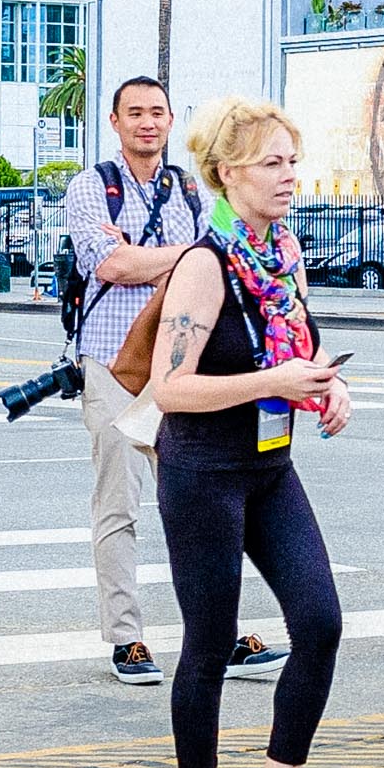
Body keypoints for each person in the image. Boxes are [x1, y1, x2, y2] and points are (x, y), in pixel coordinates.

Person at [147, 95, 355, 768]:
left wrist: (329, 386)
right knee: (210, 644)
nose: (289, 176)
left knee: (321, 621)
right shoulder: (204, 265)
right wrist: (272, 377)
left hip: (270, 469)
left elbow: (304, 350)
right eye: (272, 162)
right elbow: (171, 389)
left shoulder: (282, 257)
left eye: (293, 160)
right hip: (202, 470)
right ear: (227, 174)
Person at [60, 75, 283, 689]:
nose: (147, 123)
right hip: (113, 367)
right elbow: (111, 263)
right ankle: (127, 638)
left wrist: (168, 255)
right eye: (134, 113)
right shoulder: (92, 188)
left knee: (203, 502)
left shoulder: (187, 187)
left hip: (179, 372)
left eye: (157, 112)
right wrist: (188, 255)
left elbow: (231, 252)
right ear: (114, 121)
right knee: (118, 506)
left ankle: (222, 632)